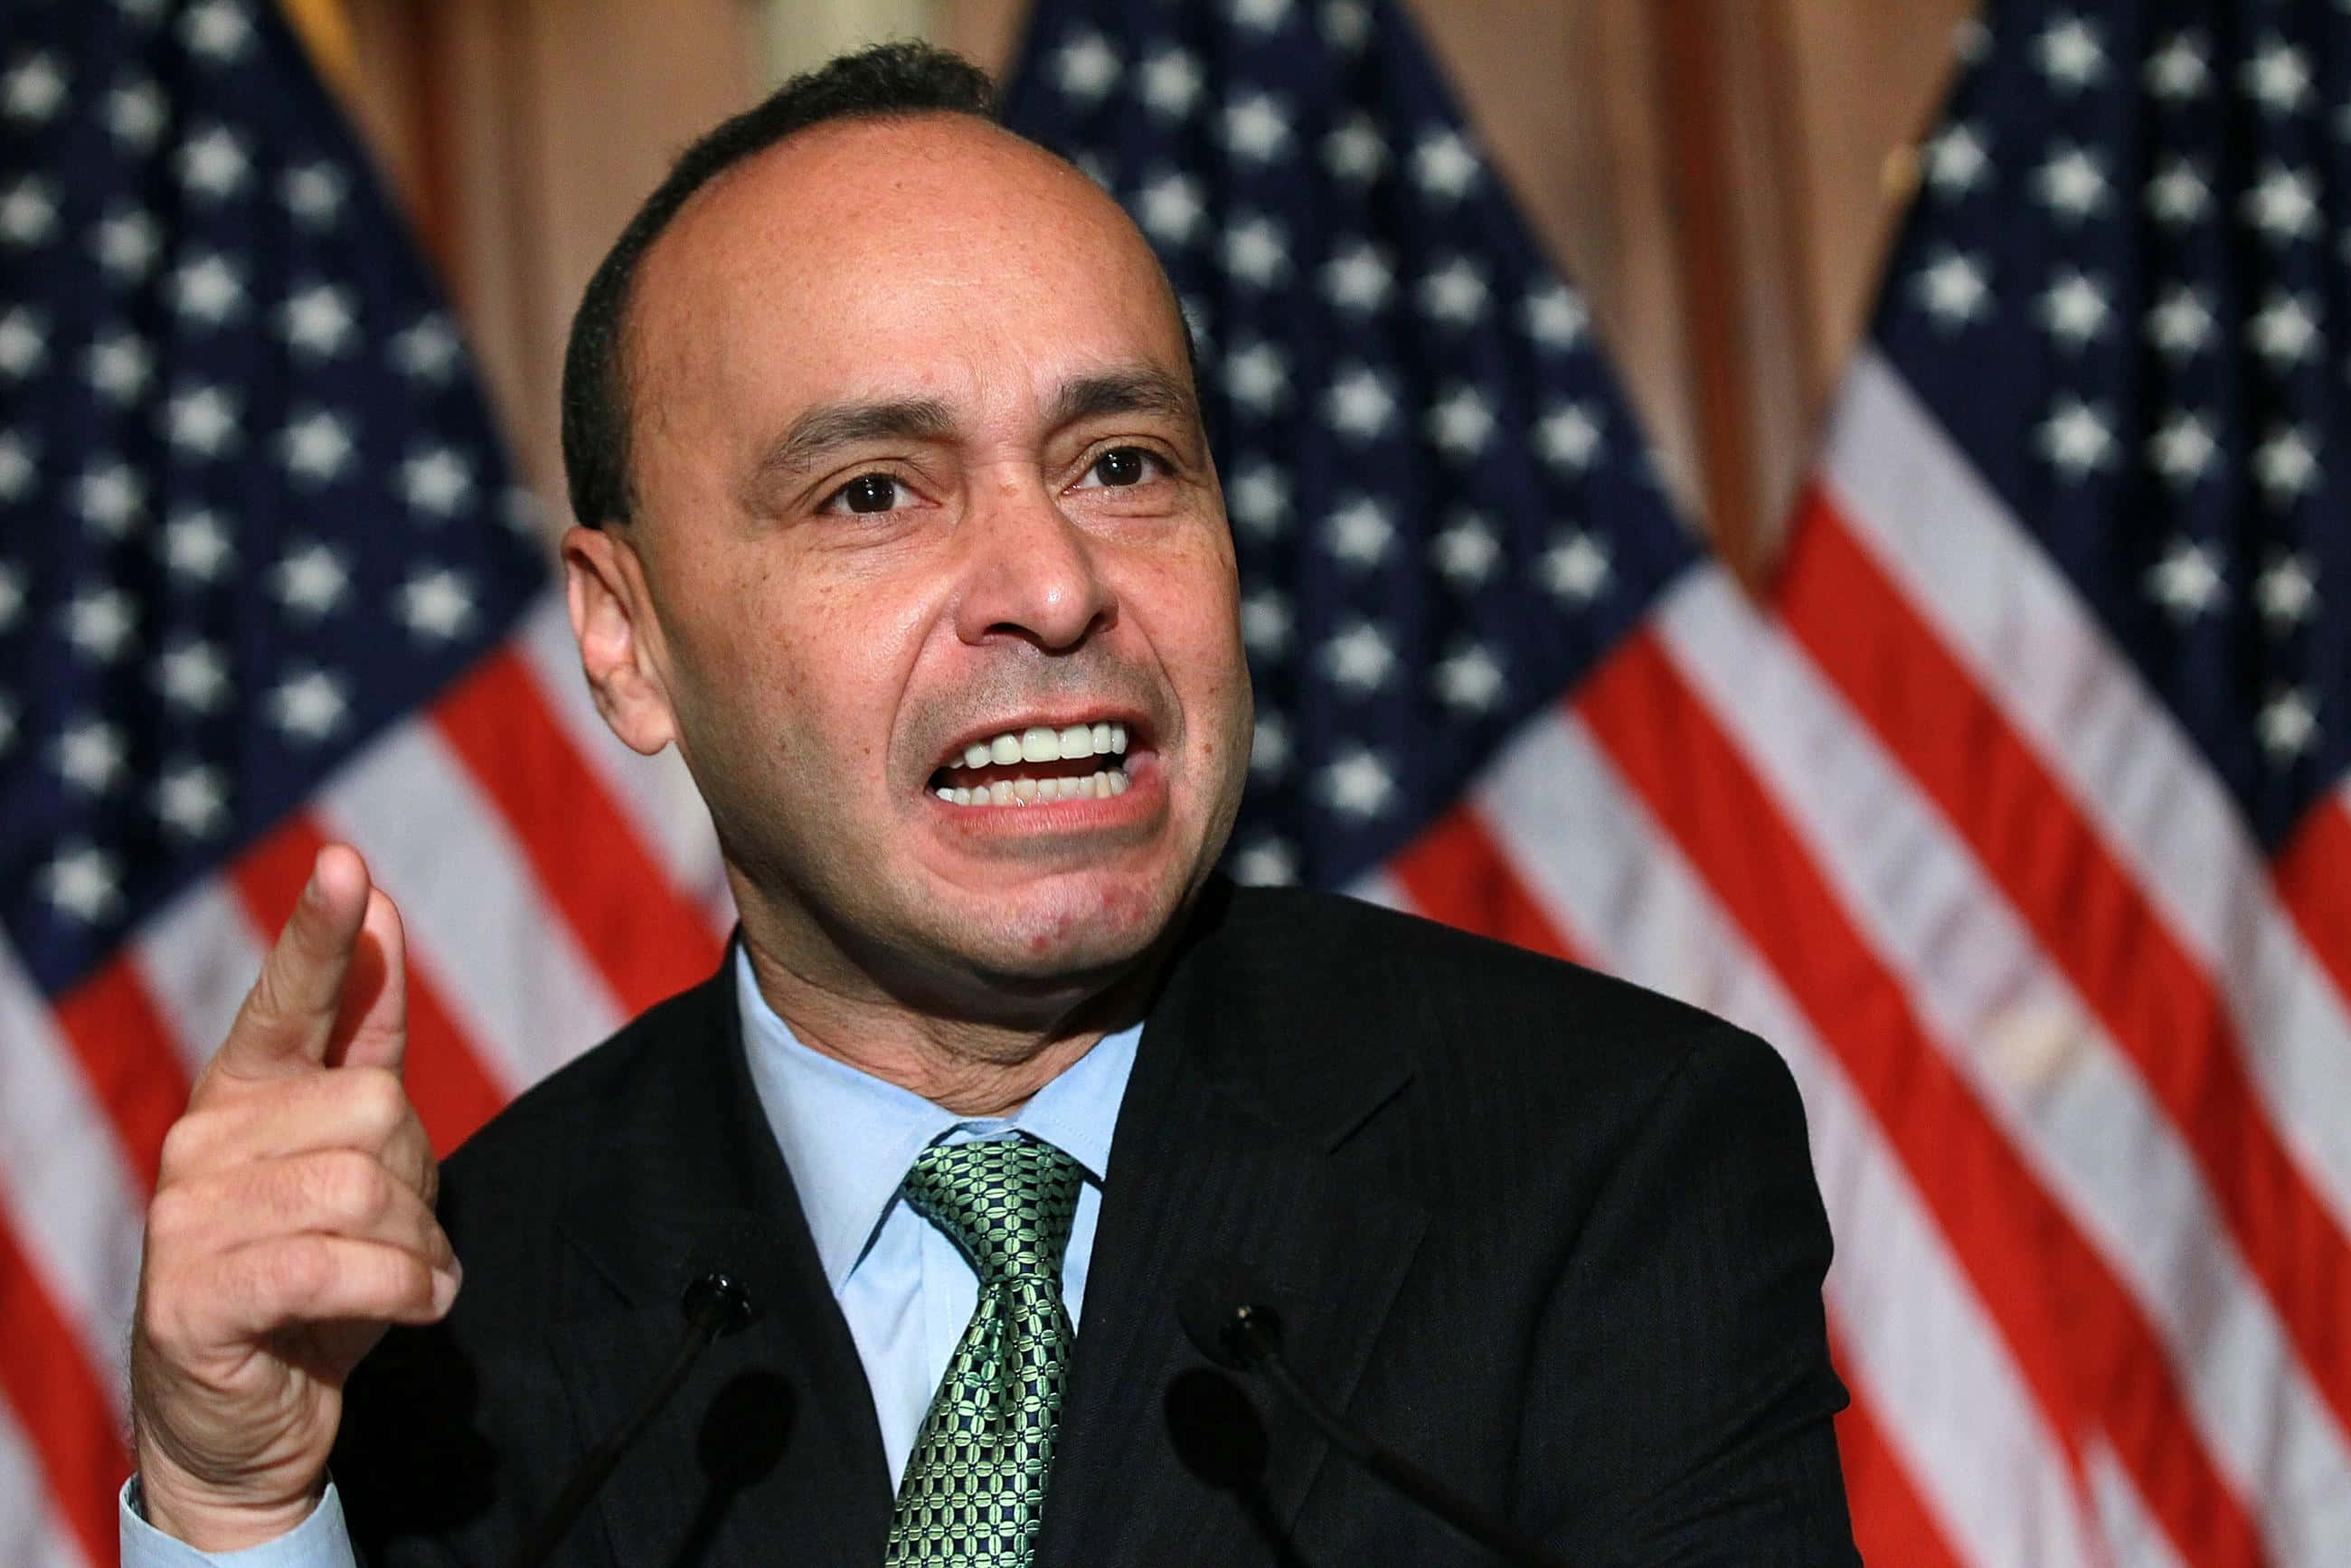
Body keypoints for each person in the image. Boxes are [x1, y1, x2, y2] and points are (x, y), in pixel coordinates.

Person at [122, 43, 1860, 1568]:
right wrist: (238, 1507)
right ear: (627, 641)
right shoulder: (441, 1329)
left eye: (1124, 464)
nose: (1052, 583)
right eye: (875, 491)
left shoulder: (1604, 1169)